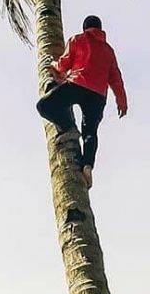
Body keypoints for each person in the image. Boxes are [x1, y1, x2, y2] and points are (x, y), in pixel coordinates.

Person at [35, 16, 128, 188]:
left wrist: (53, 66)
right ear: (101, 30)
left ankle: (68, 128)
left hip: (78, 85)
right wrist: (122, 101)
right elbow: (116, 78)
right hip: (98, 95)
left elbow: (63, 64)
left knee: (44, 106)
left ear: (85, 27)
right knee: (90, 132)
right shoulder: (108, 50)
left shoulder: (78, 39)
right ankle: (88, 166)